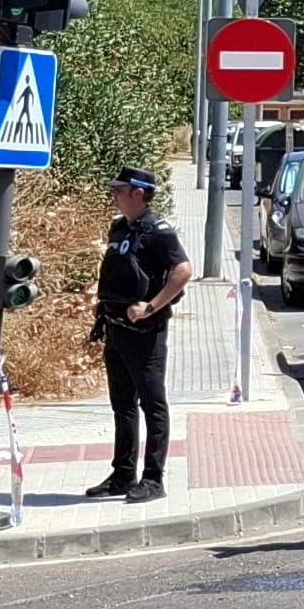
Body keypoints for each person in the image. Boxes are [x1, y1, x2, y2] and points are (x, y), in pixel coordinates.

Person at [85, 166, 193, 504]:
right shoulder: (119, 227)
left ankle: (153, 479)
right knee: (122, 404)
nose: (114, 196)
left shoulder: (159, 231)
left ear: (138, 193)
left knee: (152, 403)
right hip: (116, 326)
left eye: (120, 190)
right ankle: (122, 475)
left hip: (145, 331)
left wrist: (152, 306)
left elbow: (183, 271)